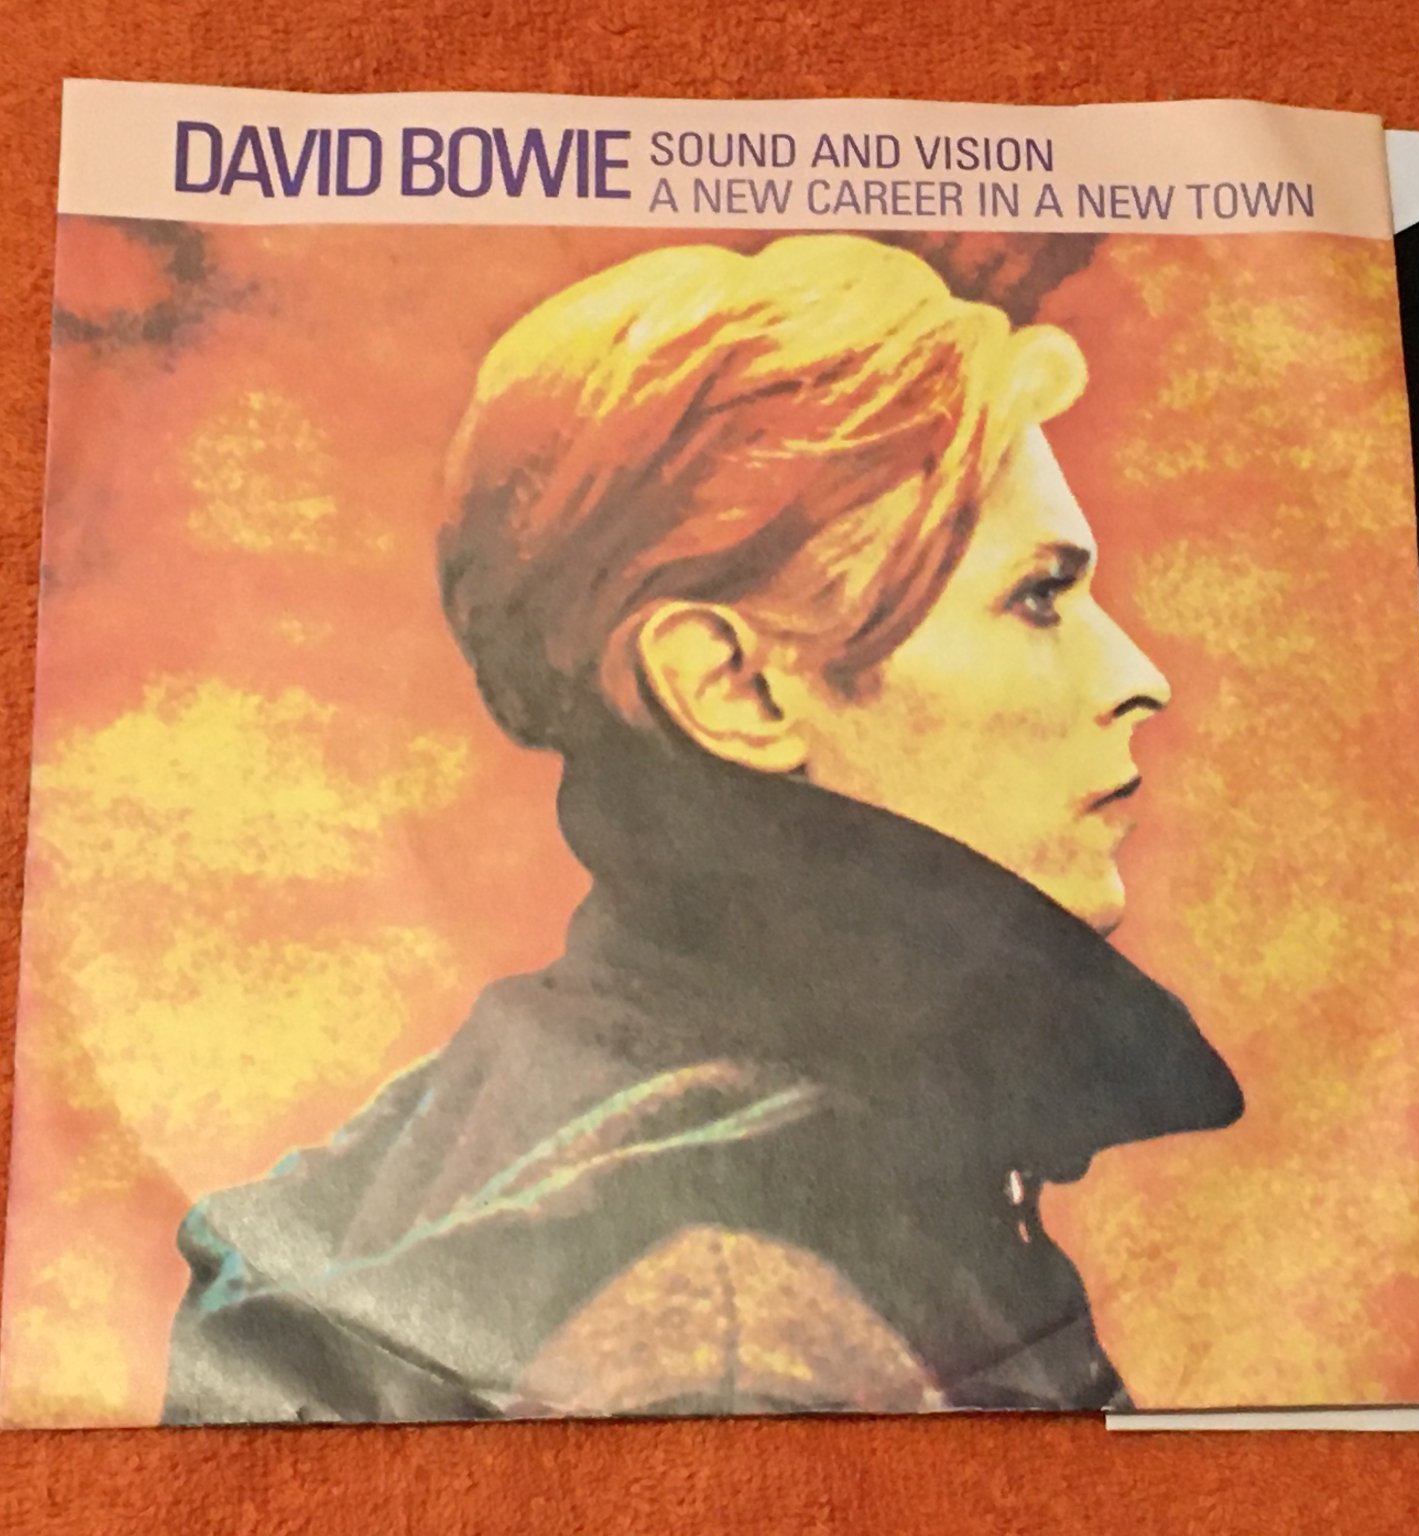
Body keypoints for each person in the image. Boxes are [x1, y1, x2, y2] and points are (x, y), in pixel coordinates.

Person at [162, 235, 1242, 1423]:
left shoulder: (497, 1112)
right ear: (732, 688)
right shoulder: (735, 1315)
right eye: (1037, 596)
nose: (1137, 678)